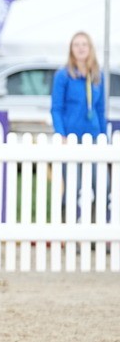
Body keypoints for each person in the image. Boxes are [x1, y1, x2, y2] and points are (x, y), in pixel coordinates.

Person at [51, 31, 111, 221]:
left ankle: (96, 225)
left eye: (84, 44)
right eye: (77, 44)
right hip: (71, 137)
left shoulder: (96, 76)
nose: (81, 48)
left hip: (92, 137)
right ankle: (67, 224)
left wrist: (103, 137)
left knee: (102, 185)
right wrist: (61, 134)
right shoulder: (63, 76)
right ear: (71, 49)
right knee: (73, 185)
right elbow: (56, 108)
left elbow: (100, 110)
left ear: (90, 48)